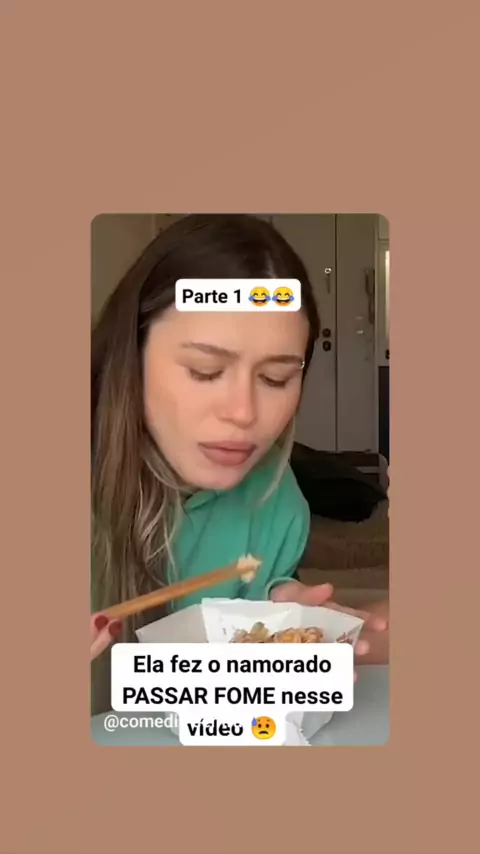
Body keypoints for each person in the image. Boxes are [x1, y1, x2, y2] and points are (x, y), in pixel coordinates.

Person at [91, 214, 388, 714]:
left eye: (275, 379)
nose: (244, 413)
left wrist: (277, 608)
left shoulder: (276, 499)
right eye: (205, 371)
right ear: (131, 358)